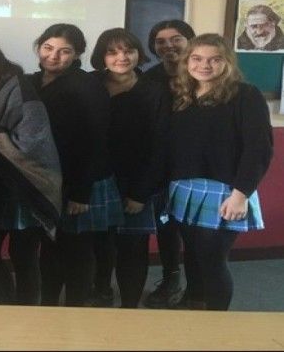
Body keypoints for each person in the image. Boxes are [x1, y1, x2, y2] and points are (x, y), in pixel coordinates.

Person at [166, 33, 272, 310]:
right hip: (185, 189)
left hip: (225, 192)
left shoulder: (246, 95)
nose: (204, 65)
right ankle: (194, 302)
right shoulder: (183, 94)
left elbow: (258, 149)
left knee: (212, 259)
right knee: (192, 254)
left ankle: (217, 321)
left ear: (227, 63)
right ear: (186, 61)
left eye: (214, 60)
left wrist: (240, 195)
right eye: (197, 58)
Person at [0, 38, 62, 306]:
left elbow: (31, 144)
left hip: (24, 186)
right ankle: (8, 301)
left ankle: (26, 310)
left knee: (23, 254)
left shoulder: (19, 89)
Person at [29, 24, 121, 307]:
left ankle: (75, 308)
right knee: (50, 246)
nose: (53, 56)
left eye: (64, 51)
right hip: (49, 179)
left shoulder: (86, 85)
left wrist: (81, 193)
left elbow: (95, 140)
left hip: (80, 181)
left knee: (76, 250)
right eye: (48, 48)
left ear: (77, 54)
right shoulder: (32, 81)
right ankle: (49, 305)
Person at [89, 28, 170, 308]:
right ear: (101, 56)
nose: (121, 57)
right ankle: (101, 290)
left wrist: (140, 192)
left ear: (139, 53)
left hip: (137, 182)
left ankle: (129, 307)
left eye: (128, 51)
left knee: (132, 247)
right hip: (96, 180)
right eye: (112, 52)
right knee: (99, 243)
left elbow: (160, 145)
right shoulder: (90, 84)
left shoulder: (155, 90)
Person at [141, 19, 195, 309]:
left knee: (195, 231)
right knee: (166, 226)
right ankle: (171, 279)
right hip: (160, 164)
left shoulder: (202, 74)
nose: (168, 46)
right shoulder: (149, 79)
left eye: (176, 39)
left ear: (189, 41)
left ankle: (197, 289)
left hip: (195, 165)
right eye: (160, 41)